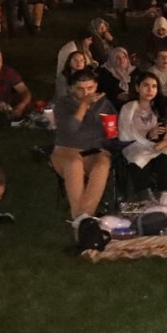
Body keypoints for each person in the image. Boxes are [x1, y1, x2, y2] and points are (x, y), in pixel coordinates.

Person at [53, 69, 116, 230]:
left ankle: (83, 218)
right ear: (72, 88)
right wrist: (84, 105)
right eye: (80, 89)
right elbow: (70, 129)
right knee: (74, 164)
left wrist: (113, 131)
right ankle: (82, 219)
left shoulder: (104, 103)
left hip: (94, 150)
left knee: (102, 165)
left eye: (90, 88)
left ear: (96, 87)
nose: (86, 93)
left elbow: (112, 131)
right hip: (67, 150)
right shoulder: (63, 103)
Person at [119, 72, 167, 197]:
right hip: (137, 146)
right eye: (146, 86)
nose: (150, 90)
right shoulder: (129, 108)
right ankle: (145, 197)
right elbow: (126, 133)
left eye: (154, 86)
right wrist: (149, 134)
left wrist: (166, 142)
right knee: (139, 160)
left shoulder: (163, 106)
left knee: (166, 159)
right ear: (137, 88)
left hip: (161, 145)